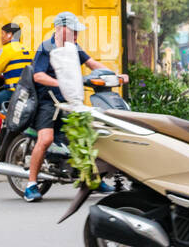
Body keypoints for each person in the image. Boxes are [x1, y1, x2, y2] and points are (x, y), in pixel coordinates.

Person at [24, 11, 127, 202]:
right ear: (61, 29)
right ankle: (31, 184)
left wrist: (115, 75)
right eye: (74, 31)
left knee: (86, 135)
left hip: (70, 102)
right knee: (46, 139)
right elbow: (38, 75)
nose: (77, 35)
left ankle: (93, 180)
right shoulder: (46, 47)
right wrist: (60, 83)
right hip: (47, 101)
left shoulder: (74, 47)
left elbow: (92, 64)